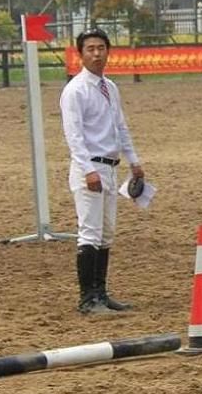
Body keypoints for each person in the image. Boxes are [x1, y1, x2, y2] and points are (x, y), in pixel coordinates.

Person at [60, 27, 145, 315]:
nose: (96, 54)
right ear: (80, 54)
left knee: (107, 234)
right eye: (90, 49)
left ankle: (101, 292)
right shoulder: (75, 91)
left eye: (101, 48)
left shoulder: (110, 87)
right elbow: (74, 136)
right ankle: (88, 298)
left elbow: (120, 126)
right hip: (91, 166)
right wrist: (87, 170)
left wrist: (133, 160)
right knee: (90, 232)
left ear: (108, 51)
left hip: (110, 167)